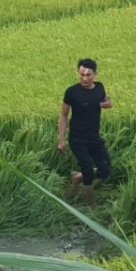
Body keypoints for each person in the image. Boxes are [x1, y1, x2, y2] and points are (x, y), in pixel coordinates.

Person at [58, 58, 113, 207]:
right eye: (82, 74)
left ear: (95, 74)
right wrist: (61, 140)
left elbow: (106, 100)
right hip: (77, 138)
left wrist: (108, 103)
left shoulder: (100, 87)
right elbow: (63, 115)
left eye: (88, 75)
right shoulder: (72, 92)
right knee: (88, 169)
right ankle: (93, 206)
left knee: (106, 169)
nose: (84, 78)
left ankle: (77, 178)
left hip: (94, 137)